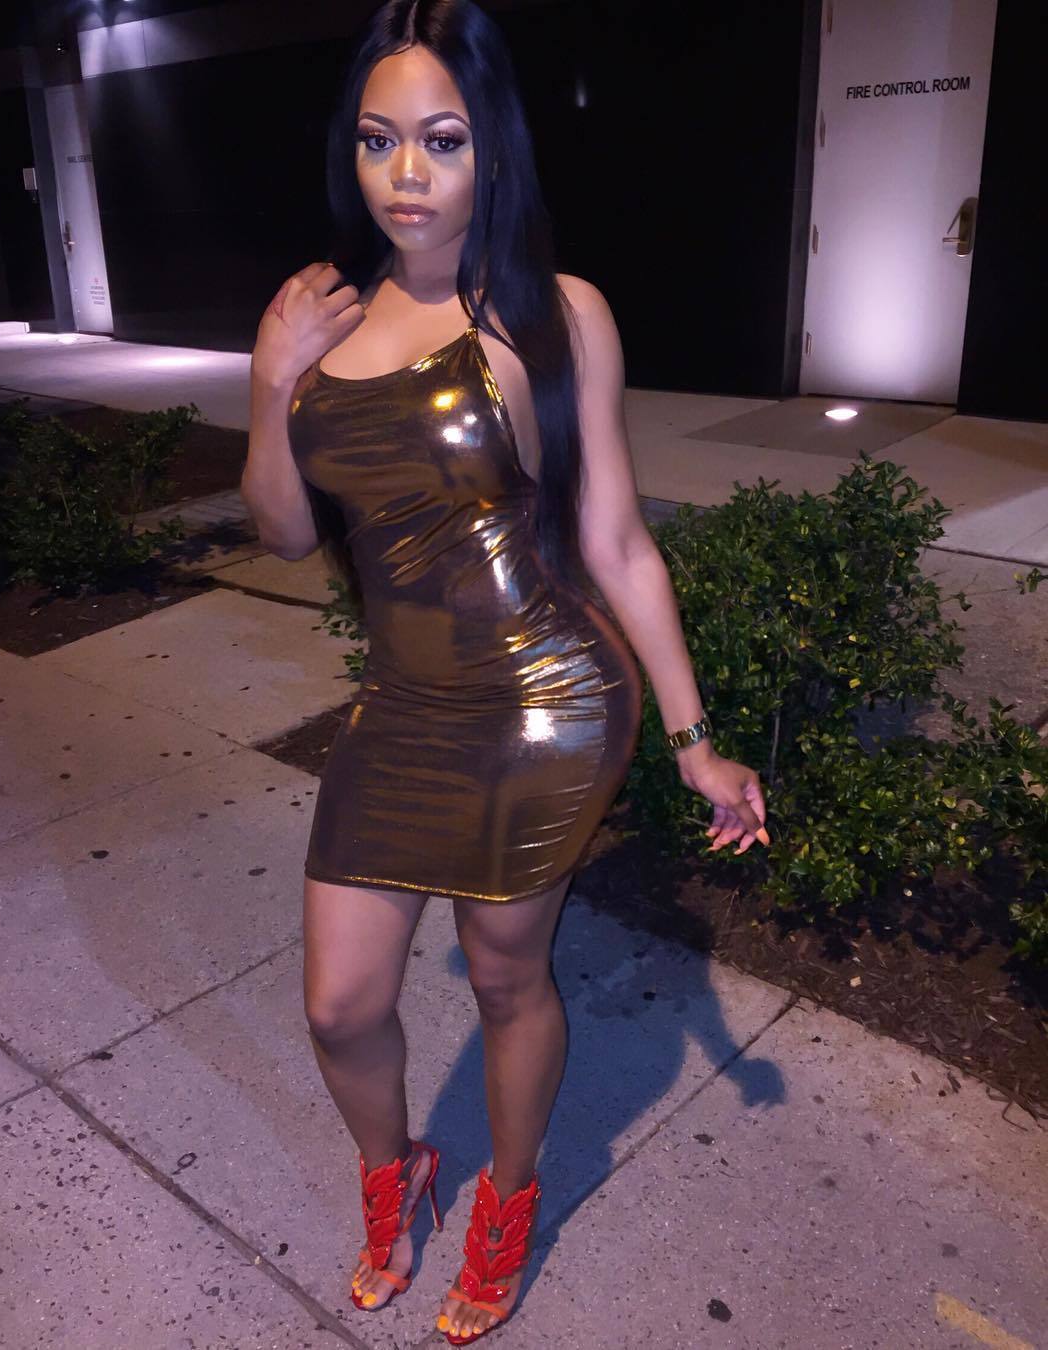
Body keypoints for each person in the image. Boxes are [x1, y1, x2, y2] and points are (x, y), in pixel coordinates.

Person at [241, 1, 768, 1342]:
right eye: (378, 140)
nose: (405, 175)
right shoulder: (319, 322)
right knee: (340, 1004)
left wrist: (695, 739)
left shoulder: (552, 314)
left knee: (503, 977)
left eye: (442, 139)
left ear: (494, 149)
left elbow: (618, 542)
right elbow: (289, 532)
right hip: (400, 706)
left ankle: (508, 1202)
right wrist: (270, 384)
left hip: (543, 702)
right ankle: (395, 1174)